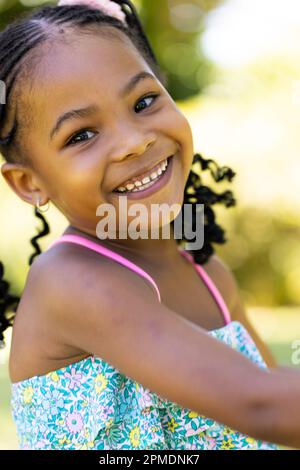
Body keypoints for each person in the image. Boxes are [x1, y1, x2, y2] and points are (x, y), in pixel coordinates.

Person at [0, 0, 298, 451]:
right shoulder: (73, 283)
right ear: (29, 182)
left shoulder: (209, 275)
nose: (134, 142)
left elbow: (270, 385)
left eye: (143, 102)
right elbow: (261, 405)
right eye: (81, 135)